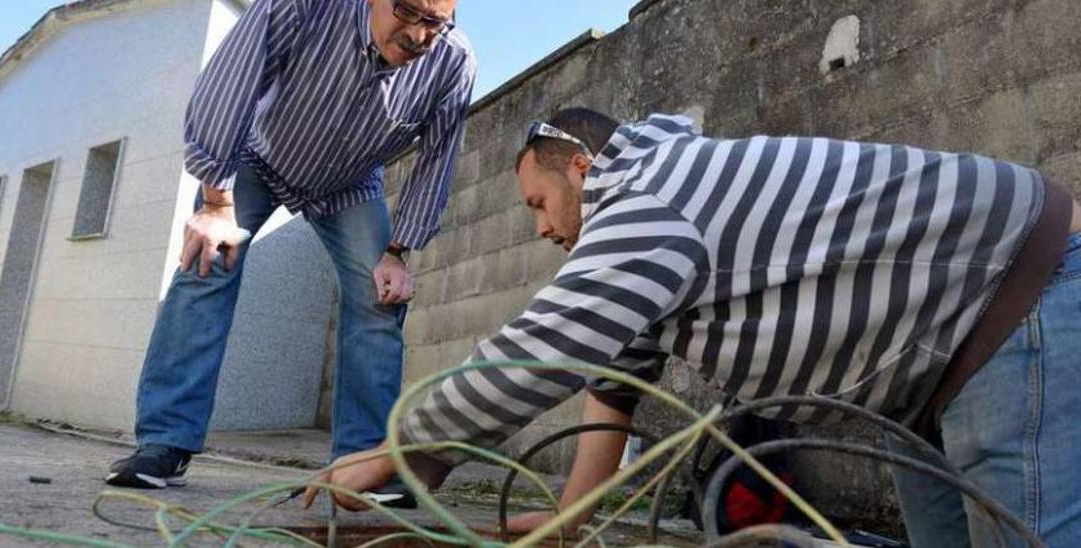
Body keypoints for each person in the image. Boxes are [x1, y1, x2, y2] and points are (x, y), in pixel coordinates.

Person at [307, 107, 1081, 546]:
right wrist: (573, 517)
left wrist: (398, 452)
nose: (541, 230)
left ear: (580, 168)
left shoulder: (653, 195)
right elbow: (615, 378)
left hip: (1017, 299)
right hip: (943, 367)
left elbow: (548, 348)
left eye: (538, 204)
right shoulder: (663, 217)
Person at [105, 0, 476, 506]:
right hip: (257, 159)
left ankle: (362, 465)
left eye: (434, 21)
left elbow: (438, 157)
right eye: (407, 11)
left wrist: (396, 252)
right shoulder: (304, 6)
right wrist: (217, 202)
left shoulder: (453, 62)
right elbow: (232, 84)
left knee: (378, 299)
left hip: (349, 186)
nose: (418, 33)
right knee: (209, 265)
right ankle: (163, 444)